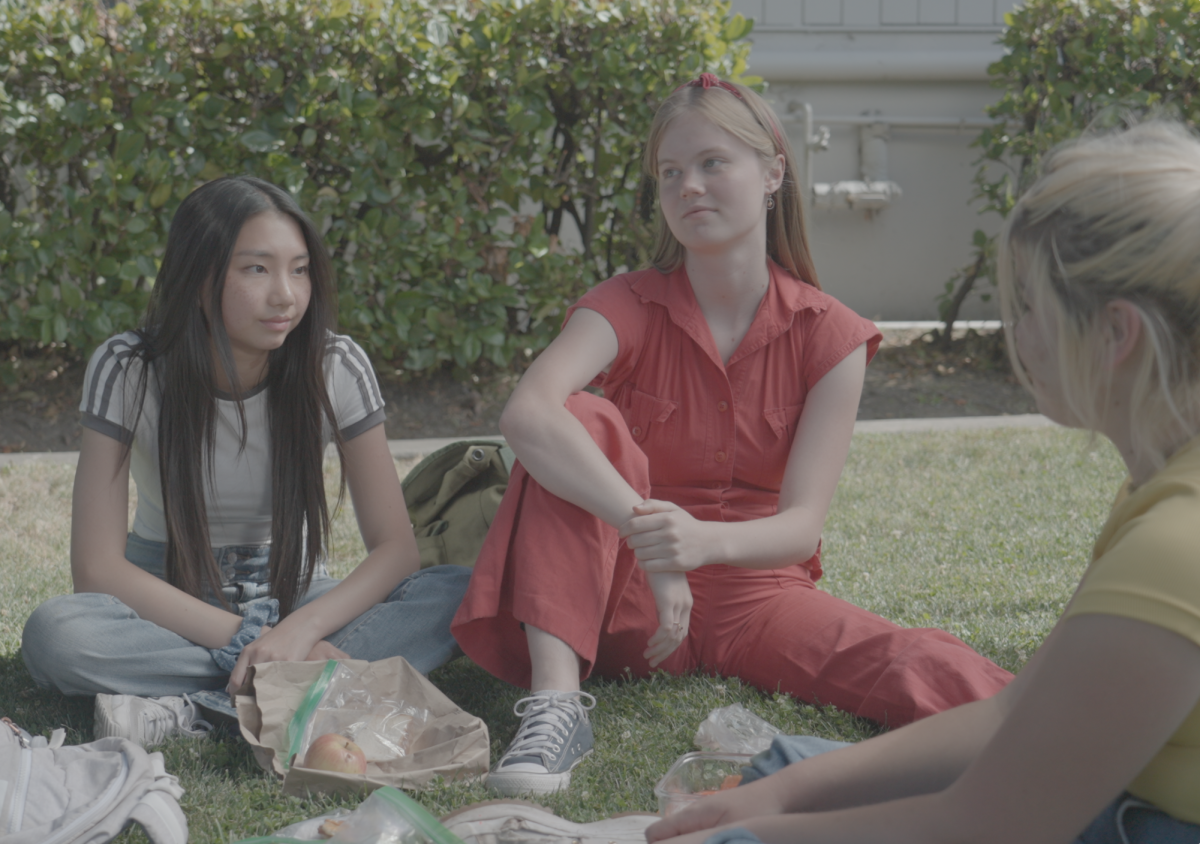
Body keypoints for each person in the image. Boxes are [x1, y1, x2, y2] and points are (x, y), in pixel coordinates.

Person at [450, 74, 1012, 797]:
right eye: (671, 173)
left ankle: (1075, 728)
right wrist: (653, 541)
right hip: (624, 600)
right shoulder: (626, 303)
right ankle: (557, 710)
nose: (690, 187)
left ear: (773, 172)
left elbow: (802, 528)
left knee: (908, 659)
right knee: (580, 416)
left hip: (758, 597)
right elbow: (526, 414)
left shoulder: (830, 334)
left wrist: (704, 545)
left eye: (714, 163)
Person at [643, 121, 1200, 844]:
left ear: (1116, 334)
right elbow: (1012, 713)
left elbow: (998, 822)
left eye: (1029, 305)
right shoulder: (1160, 490)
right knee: (784, 771)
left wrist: (742, 839)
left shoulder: (1175, 543)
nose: (1017, 332)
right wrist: (782, 794)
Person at [21, 176, 471, 747]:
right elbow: (98, 569)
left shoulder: (335, 365)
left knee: (459, 591)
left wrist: (300, 630)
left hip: (292, 590)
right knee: (56, 634)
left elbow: (396, 549)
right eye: (257, 269)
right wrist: (254, 640)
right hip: (165, 594)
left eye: (300, 269)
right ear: (200, 277)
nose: (285, 294)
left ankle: (195, 708)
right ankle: (303, 684)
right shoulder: (129, 368)